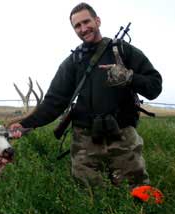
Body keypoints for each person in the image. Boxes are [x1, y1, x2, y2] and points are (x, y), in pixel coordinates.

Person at [10, 3, 162, 189]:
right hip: (85, 141)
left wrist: (128, 76)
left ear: (97, 21)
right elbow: (53, 103)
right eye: (77, 26)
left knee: (136, 191)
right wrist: (26, 124)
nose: (83, 29)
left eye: (86, 22)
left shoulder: (123, 51)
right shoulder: (73, 62)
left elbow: (154, 87)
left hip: (122, 136)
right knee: (89, 196)